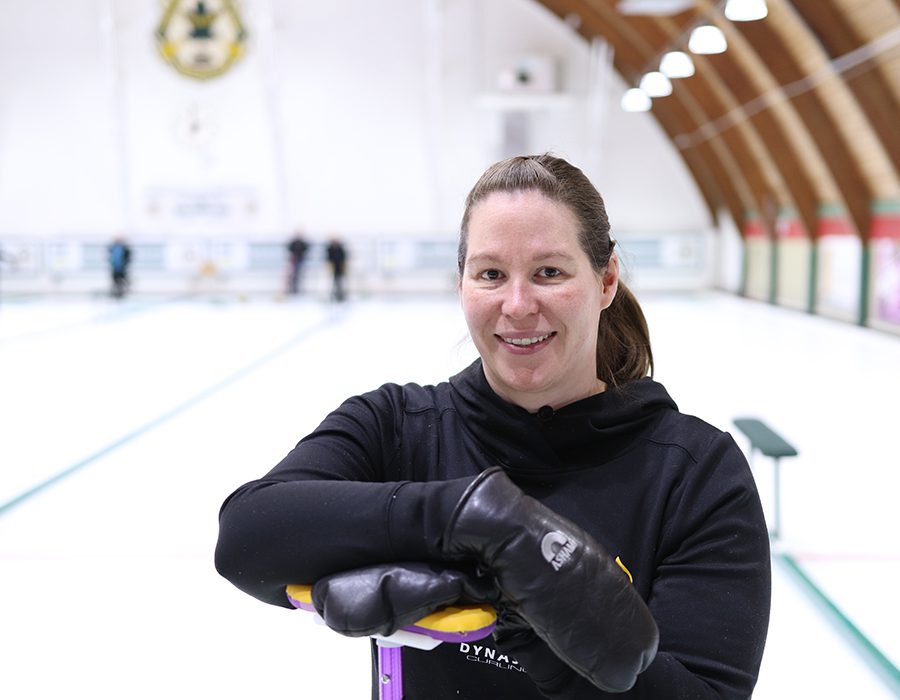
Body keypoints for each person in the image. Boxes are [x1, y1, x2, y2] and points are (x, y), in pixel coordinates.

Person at [215, 154, 771, 699]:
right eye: (491, 274)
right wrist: (473, 520)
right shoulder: (396, 427)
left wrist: (527, 615)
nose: (518, 304)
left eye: (549, 272)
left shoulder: (696, 474)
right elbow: (247, 535)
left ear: (606, 281)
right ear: (461, 283)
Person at [325, 236, 348, 302]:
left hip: (339, 268)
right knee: (333, 282)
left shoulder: (340, 249)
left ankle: (340, 295)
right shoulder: (330, 249)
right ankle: (333, 295)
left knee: (340, 282)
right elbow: (328, 258)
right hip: (333, 268)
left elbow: (343, 258)